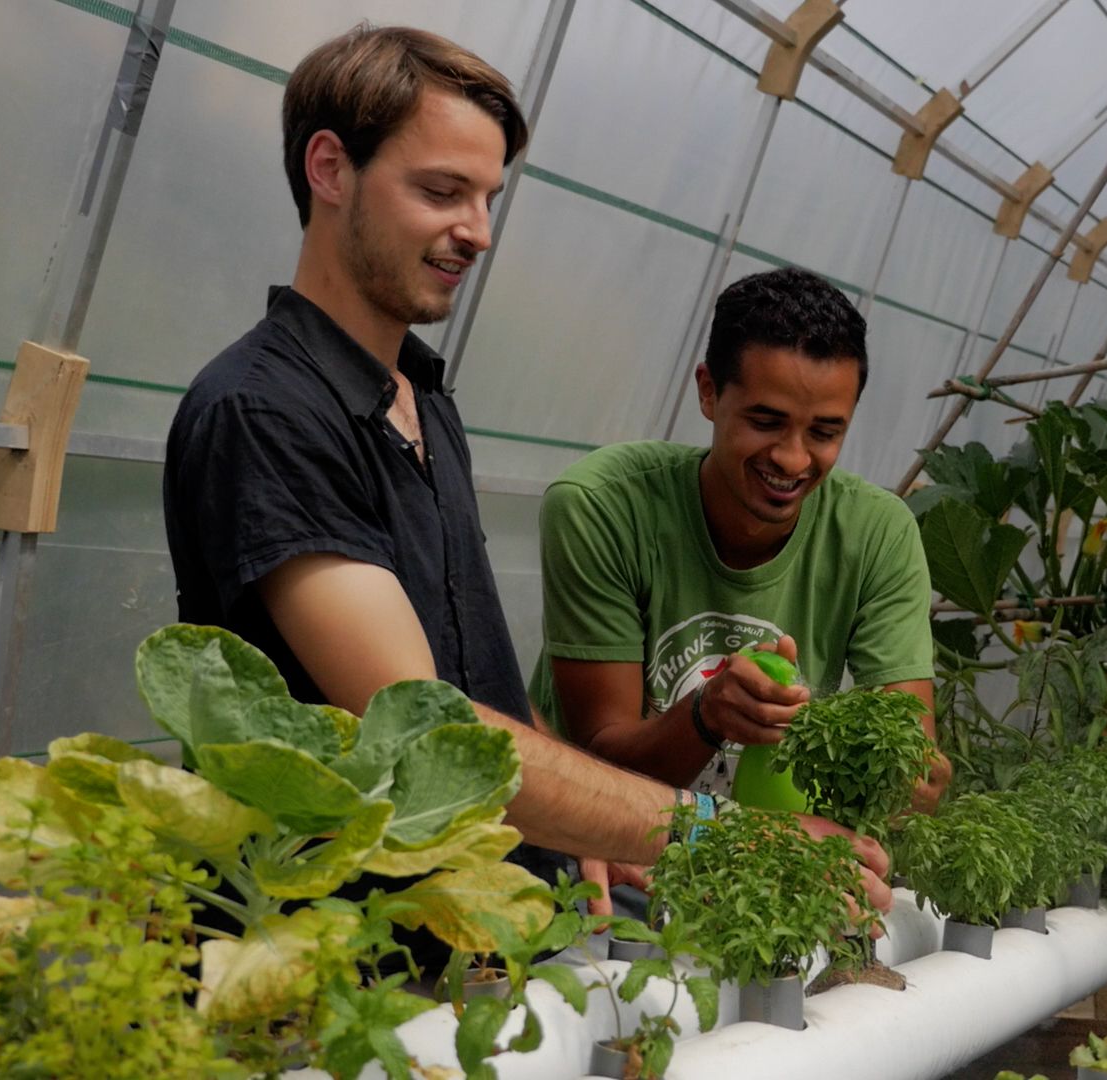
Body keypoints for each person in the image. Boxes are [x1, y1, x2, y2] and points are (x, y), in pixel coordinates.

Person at [161, 25, 889, 914]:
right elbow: (425, 729)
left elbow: (486, 692)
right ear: (330, 169)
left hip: (465, 925)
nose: (478, 232)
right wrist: (718, 832)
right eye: (441, 191)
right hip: (333, 949)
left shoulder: (419, 398)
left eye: (487, 197)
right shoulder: (266, 413)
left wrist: (583, 831)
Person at [530, 267, 953, 903]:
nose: (792, 457)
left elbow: (917, 752)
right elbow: (597, 762)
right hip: (601, 848)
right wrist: (707, 713)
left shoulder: (877, 534)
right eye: (765, 420)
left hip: (772, 847)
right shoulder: (602, 506)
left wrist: (912, 778)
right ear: (708, 391)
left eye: (825, 432)